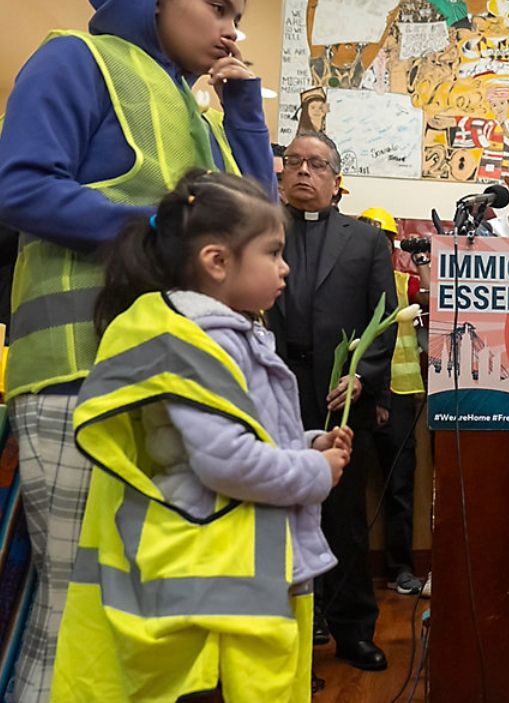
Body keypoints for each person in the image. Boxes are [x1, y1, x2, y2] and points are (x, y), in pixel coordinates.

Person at [0, 0, 274, 697]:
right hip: (79, 377)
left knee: (143, 617)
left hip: (179, 384)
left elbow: (259, 237)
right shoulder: (76, 59)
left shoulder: (203, 111)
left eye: (239, 13)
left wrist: (243, 109)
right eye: (217, 6)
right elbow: (20, 185)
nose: (232, 27)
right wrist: (156, 228)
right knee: (76, 610)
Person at [51, 171, 348, 700]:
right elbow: (226, 463)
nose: (285, 267)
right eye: (274, 253)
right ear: (217, 262)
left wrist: (304, 445)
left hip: (227, 578)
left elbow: (241, 433)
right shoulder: (198, 344)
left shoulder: (226, 334)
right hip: (209, 592)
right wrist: (313, 473)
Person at [270, 131, 398, 672]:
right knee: (274, 513)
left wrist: (364, 378)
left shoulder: (366, 241)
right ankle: (288, 640)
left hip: (339, 395)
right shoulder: (259, 229)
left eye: (316, 164)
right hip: (274, 387)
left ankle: (352, 629)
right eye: (294, 161)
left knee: (343, 518)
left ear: (336, 180)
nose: (303, 171)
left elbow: (386, 320)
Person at [357, 206, 426, 597]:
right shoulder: (346, 281)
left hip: (399, 397)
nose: (376, 247)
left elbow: (434, 299)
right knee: (346, 490)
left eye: (382, 240)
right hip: (358, 395)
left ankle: (400, 568)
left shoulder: (403, 282)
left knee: (399, 487)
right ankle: (347, 573)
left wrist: (422, 263)